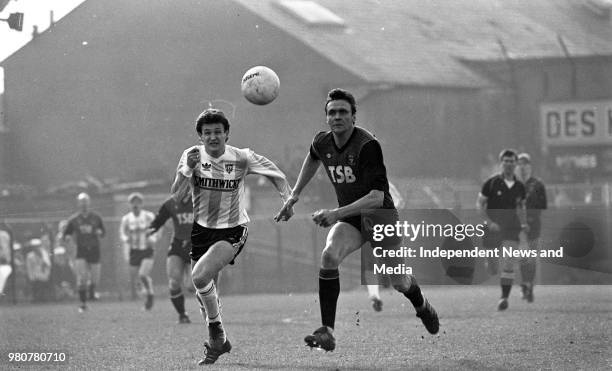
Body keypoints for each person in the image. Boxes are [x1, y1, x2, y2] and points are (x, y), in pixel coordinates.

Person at [275, 88, 439, 352]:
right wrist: (293, 196)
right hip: (351, 217)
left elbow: (376, 197)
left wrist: (336, 213)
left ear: (353, 117)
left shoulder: (367, 146)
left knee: (400, 282)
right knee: (329, 256)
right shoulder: (322, 141)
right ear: (326, 118)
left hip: (380, 217)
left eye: (343, 112)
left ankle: (421, 305)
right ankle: (327, 331)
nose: (337, 116)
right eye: (332, 112)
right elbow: (313, 156)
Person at [172, 108, 292, 365]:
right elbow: (178, 196)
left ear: (227, 133)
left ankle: (216, 332)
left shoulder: (241, 157)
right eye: (207, 133)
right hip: (201, 230)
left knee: (199, 276)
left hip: (233, 229)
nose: (213, 137)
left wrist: (287, 199)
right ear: (200, 137)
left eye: (218, 132)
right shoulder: (191, 156)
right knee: (202, 293)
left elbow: (276, 174)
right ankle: (221, 342)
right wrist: (187, 170)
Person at [477, 149, 528, 311]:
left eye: (511, 161)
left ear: (515, 164)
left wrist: (524, 223)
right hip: (492, 228)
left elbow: (521, 207)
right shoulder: (491, 183)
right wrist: (488, 221)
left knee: (509, 262)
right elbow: (480, 204)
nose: (508, 164)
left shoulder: (520, 186)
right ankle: (490, 262)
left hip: (511, 228)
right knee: (493, 268)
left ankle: (504, 297)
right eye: (505, 161)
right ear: (501, 163)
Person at [148, 192, 195, 323]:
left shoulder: (200, 200)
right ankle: (182, 315)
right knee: (174, 281)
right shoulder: (170, 203)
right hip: (178, 245)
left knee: (192, 286)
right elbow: (160, 219)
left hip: (196, 246)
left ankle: (212, 305)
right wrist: (152, 228)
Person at [62, 192, 105, 312]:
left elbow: (103, 231)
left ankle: (91, 293)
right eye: (81, 201)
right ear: (78, 203)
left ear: (89, 202)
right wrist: (67, 237)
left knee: (95, 278)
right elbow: (67, 233)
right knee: (82, 277)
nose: (84, 204)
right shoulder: (74, 219)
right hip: (81, 250)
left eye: (86, 201)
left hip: (94, 249)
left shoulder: (96, 217)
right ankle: (83, 303)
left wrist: (100, 233)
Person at [516, 152, 547, 302]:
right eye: (519, 164)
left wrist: (530, 220)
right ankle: (525, 285)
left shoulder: (538, 184)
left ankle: (530, 286)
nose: (522, 167)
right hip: (519, 227)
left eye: (525, 164)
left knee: (532, 258)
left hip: (534, 226)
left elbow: (541, 206)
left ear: (530, 166)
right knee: (523, 257)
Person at [120, 192, 158, 311]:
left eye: (138, 202)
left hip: (147, 250)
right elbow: (122, 232)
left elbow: (156, 228)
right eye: (133, 202)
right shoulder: (126, 219)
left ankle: (150, 295)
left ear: (141, 204)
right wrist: (126, 239)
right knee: (136, 278)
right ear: (130, 204)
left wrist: (153, 238)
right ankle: (147, 293)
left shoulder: (148, 216)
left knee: (143, 274)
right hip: (134, 250)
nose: (135, 205)